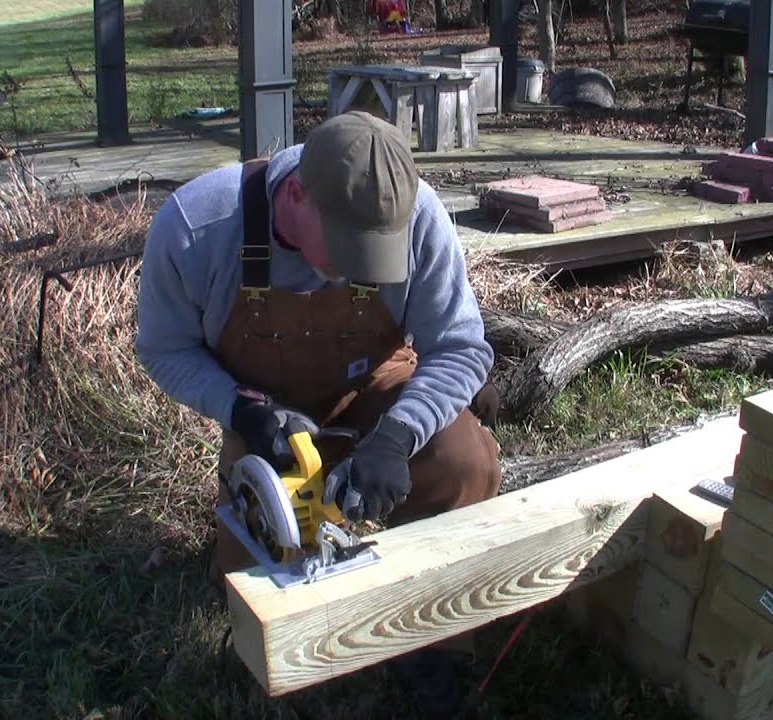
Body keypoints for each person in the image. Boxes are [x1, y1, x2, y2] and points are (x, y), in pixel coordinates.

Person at [134, 110, 503, 717]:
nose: (361, 270)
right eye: (347, 250)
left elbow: (460, 347)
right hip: (266, 421)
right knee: (250, 576)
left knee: (464, 462)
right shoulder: (197, 228)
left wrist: (399, 435)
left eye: (375, 254)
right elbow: (165, 349)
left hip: (380, 395)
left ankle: (431, 638)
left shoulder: (417, 214)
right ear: (297, 194)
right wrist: (241, 411)